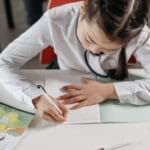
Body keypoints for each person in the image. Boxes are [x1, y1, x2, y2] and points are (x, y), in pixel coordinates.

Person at [0, 0, 149, 122]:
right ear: (83, 9)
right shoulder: (55, 20)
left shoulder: (139, 34)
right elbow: (4, 62)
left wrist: (109, 91)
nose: (95, 51)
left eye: (109, 49)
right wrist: (35, 97)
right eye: (89, 39)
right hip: (63, 75)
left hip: (112, 79)